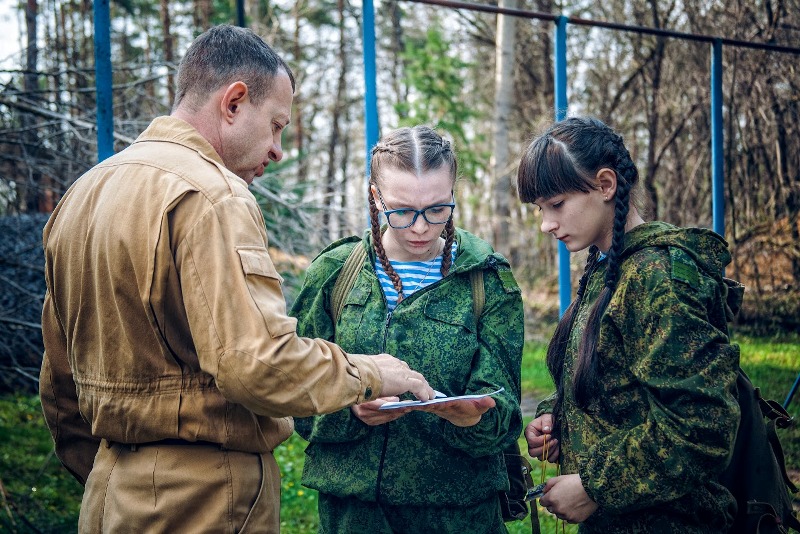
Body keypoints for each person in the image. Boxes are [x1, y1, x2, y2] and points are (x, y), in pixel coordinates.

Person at [38, 24, 434, 533]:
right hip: (204, 498)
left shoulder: (84, 194)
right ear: (234, 103)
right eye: (275, 125)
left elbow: (59, 382)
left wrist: (116, 474)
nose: (277, 149)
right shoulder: (213, 195)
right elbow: (257, 365)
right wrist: (373, 372)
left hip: (109, 495)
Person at [289, 125, 525, 533]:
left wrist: (472, 419)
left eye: (437, 209)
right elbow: (297, 394)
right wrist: (351, 406)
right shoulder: (335, 274)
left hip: (460, 515)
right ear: (375, 197)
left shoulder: (487, 280)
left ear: (453, 195)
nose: (420, 227)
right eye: (402, 211)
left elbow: (504, 412)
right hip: (356, 515)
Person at [517, 116, 741, 531]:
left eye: (557, 204)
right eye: (539, 209)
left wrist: (593, 487)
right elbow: (614, 384)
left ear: (606, 185)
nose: (546, 224)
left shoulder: (657, 277)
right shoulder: (608, 268)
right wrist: (557, 419)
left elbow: (702, 426)